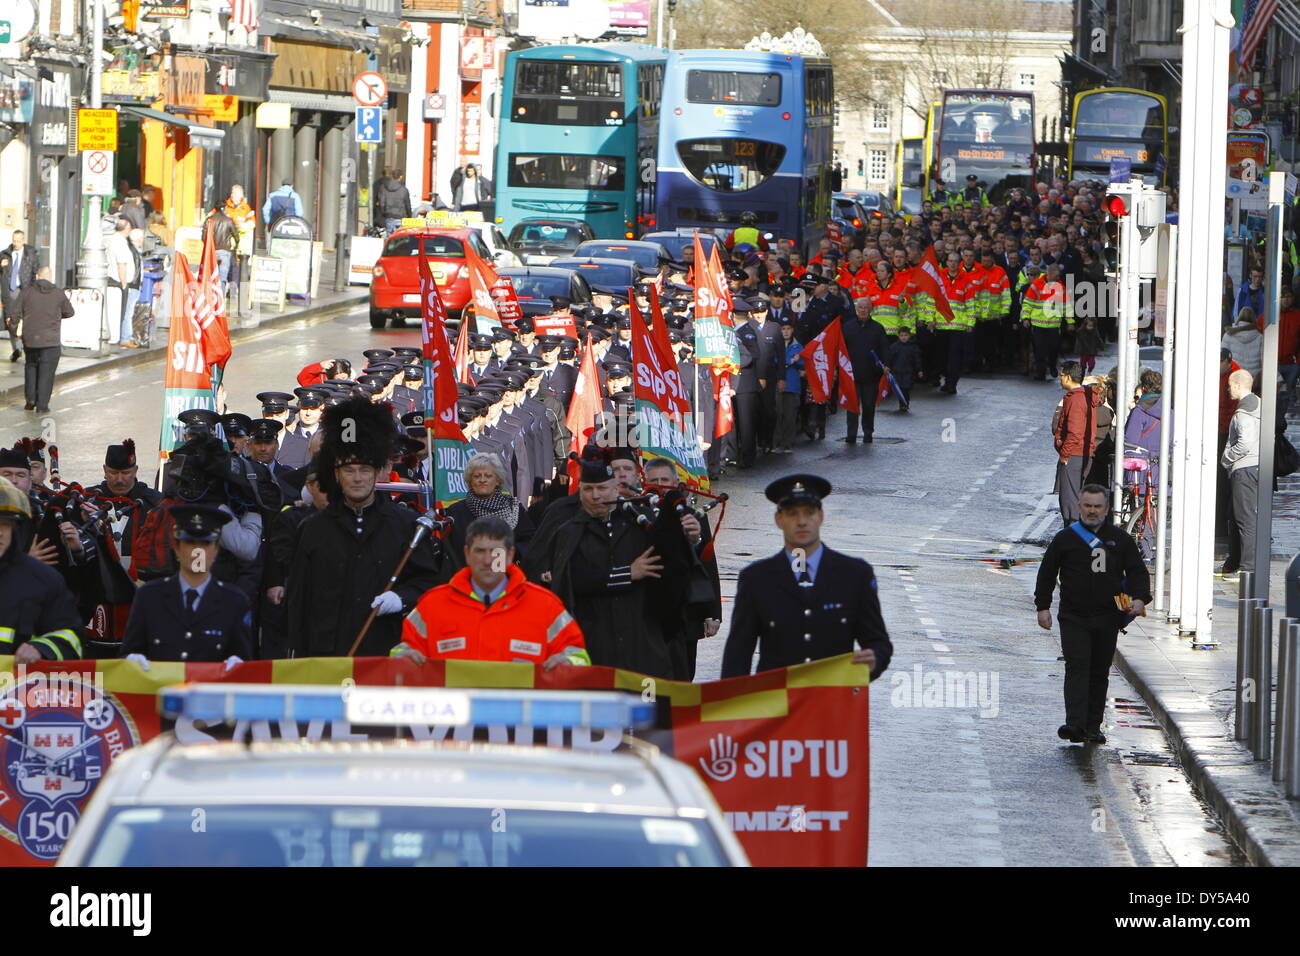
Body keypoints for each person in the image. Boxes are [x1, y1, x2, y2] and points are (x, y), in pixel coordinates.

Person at [286, 397, 441, 657]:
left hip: (385, 652)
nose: (357, 478)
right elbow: (298, 602)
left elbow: (427, 585)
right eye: (349, 470)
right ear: (336, 474)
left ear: (378, 473)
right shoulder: (313, 529)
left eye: (365, 470)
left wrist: (400, 599)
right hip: (327, 656)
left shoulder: (405, 526)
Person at [721, 474, 892, 679]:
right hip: (777, 703)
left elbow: (877, 641)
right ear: (779, 519)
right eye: (792, 514)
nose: (801, 522)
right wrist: (734, 705)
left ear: (821, 516)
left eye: (809, 513)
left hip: (834, 701)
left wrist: (874, 660)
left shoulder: (854, 574)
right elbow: (738, 653)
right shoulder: (756, 579)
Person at [1034, 484, 1150, 744]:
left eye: (1098, 507)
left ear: (1106, 509)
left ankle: (1093, 727)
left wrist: (1141, 599)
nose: (1092, 511)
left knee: (1099, 671)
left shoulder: (1120, 540)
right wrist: (1043, 607)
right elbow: (1047, 572)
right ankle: (1074, 724)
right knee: (1077, 667)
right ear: (1079, 507)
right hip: (1073, 616)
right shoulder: (1065, 538)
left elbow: (1137, 572)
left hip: (1108, 617)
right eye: (1087, 506)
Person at [393, 516, 588, 667]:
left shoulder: (546, 606)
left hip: (520, 717)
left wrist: (568, 663)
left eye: (496, 552)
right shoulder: (432, 605)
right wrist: (405, 658)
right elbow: (403, 653)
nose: (488, 560)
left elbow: (578, 656)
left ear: (510, 555)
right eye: (479, 551)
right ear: (467, 554)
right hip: (456, 717)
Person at [547, 453, 674, 678]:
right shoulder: (570, 531)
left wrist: (690, 539)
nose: (595, 496)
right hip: (594, 639)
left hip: (642, 639)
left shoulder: (642, 522)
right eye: (588, 490)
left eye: (602, 489)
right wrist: (628, 574)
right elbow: (574, 580)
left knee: (647, 708)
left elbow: (672, 568)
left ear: (615, 489)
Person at [120, 504, 253, 666]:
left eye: (205, 544)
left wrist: (239, 665)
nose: (197, 551)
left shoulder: (234, 601)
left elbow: (245, 659)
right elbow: (128, 652)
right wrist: (132, 659)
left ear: (216, 549)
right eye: (190, 542)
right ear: (176, 548)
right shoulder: (149, 596)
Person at [0, 476, 83, 662]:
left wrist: (42, 648)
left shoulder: (43, 579)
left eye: (5, 524)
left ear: (16, 529)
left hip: (20, 687)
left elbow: (72, 637)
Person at [443, 452, 536, 565]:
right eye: (477, 476)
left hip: (507, 574)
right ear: (470, 481)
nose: (482, 480)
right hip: (466, 575)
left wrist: (504, 552)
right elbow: (449, 551)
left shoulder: (514, 508)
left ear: (497, 480)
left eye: (488, 476)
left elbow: (529, 542)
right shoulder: (456, 511)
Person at [13, 266, 75, 413]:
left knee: (31, 367)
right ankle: (42, 405)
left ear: (37, 277)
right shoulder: (58, 294)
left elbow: (15, 313)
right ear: (50, 277)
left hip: (31, 339)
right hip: (50, 340)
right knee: (46, 372)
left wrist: (16, 325)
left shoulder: (26, 292)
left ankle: (30, 400)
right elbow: (70, 312)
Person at [1221, 368, 1261, 577]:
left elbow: (1245, 442)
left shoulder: (1245, 411)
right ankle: (1235, 562)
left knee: (1244, 518)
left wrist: (1227, 457)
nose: (1228, 389)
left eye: (1230, 385)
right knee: (1236, 515)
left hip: (1244, 468)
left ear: (1238, 385)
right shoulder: (1256, 405)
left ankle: (1247, 568)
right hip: (1249, 467)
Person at [1053, 362, 1100, 527]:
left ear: (1067, 376)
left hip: (1074, 454)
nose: (1059, 379)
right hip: (1081, 453)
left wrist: (1065, 454)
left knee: (1069, 499)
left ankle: (1074, 536)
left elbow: (1075, 431)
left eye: (1061, 375)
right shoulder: (1082, 396)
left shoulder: (1076, 399)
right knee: (1073, 497)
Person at [840, 297, 889, 443]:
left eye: (866, 308)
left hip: (871, 375)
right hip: (852, 375)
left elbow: (885, 349)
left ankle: (868, 433)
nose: (863, 310)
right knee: (852, 407)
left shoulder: (878, 328)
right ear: (856, 309)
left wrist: (886, 364)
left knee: (868, 406)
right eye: (860, 307)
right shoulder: (847, 327)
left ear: (871, 310)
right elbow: (841, 349)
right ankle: (851, 434)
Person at [1, 229, 38, 362]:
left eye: (18, 241)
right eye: (14, 240)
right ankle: (16, 349)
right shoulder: (5, 255)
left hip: (25, 291)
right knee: (10, 320)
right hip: (10, 291)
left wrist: (33, 292)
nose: (15, 243)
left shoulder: (31, 255)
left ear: (23, 240)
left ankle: (24, 347)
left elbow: (34, 273)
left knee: (25, 321)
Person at [105, 218, 141, 348]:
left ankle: (122, 337)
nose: (130, 230)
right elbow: (122, 265)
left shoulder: (118, 240)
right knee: (126, 311)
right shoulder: (119, 242)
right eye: (129, 228)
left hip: (121, 283)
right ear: (125, 228)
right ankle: (124, 338)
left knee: (125, 311)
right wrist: (125, 284)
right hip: (123, 283)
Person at [773, 317, 804, 453]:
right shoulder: (775, 344)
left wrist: (789, 362)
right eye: (783, 329)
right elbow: (774, 360)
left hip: (792, 385)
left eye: (788, 329)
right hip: (778, 384)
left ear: (792, 330)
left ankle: (787, 444)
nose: (785, 332)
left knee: (790, 415)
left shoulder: (798, 346)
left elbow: (803, 363)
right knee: (777, 414)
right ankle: (775, 442)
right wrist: (790, 360)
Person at [1221, 306, 1264, 383]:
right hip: (1253, 379)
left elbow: (1223, 358)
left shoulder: (1228, 335)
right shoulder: (1260, 337)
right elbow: (1264, 360)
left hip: (1235, 377)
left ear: (1238, 317)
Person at [374, 168, 413, 235]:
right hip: (400, 217)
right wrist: (409, 216)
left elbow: (382, 203)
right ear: (400, 177)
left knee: (389, 237)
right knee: (400, 237)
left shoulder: (384, 188)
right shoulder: (404, 190)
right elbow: (407, 205)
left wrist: (384, 213)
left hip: (388, 216)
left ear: (392, 176)